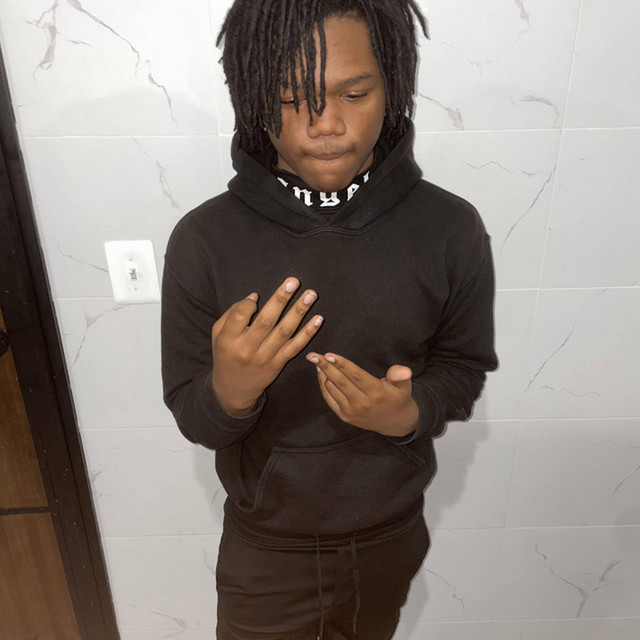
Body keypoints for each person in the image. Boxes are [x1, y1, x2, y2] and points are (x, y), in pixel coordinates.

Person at [161, 0, 498, 638]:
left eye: (354, 93)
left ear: (391, 87)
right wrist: (231, 390)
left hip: (391, 536)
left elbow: (463, 367)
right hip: (268, 550)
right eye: (292, 100)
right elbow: (195, 419)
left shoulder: (450, 229)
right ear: (253, 101)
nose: (326, 125)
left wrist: (408, 413)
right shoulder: (204, 240)